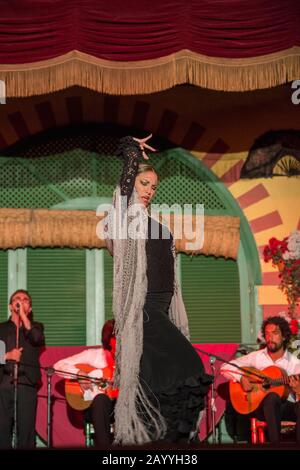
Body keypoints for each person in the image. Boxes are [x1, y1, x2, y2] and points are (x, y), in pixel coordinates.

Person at [104, 135, 212, 445]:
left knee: (154, 382)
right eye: (144, 183)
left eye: (153, 186)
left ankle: (158, 442)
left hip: (162, 309)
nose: (149, 190)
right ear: (131, 184)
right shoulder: (124, 219)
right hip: (144, 310)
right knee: (189, 367)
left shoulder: (154, 221)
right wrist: (132, 154)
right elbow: (123, 192)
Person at [220, 316, 300, 444]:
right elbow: (225, 367)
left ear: (284, 336)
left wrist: (298, 391)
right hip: (262, 409)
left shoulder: (295, 363)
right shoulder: (257, 357)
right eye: (267, 334)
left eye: (275, 333)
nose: (270, 338)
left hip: (286, 409)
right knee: (272, 397)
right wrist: (241, 378)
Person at [54, 319, 117, 448]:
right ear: (110, 339)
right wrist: (79, 374)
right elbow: (58, 366)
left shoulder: (131, 360)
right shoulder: (93, 355)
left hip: (121, 407)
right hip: (96, 407)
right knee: (100, 399)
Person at [0, 289, 45, 449]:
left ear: (30, 308)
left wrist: (24, 317)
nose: (20, 301)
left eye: (25, 300)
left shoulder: (36, 327)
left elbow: (36, 339)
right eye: (17, 299)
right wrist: (8, 356)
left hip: (27, 383)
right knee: (2, 431)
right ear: (10, 306)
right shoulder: (1, 329)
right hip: (3, 384)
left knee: (26, 433)